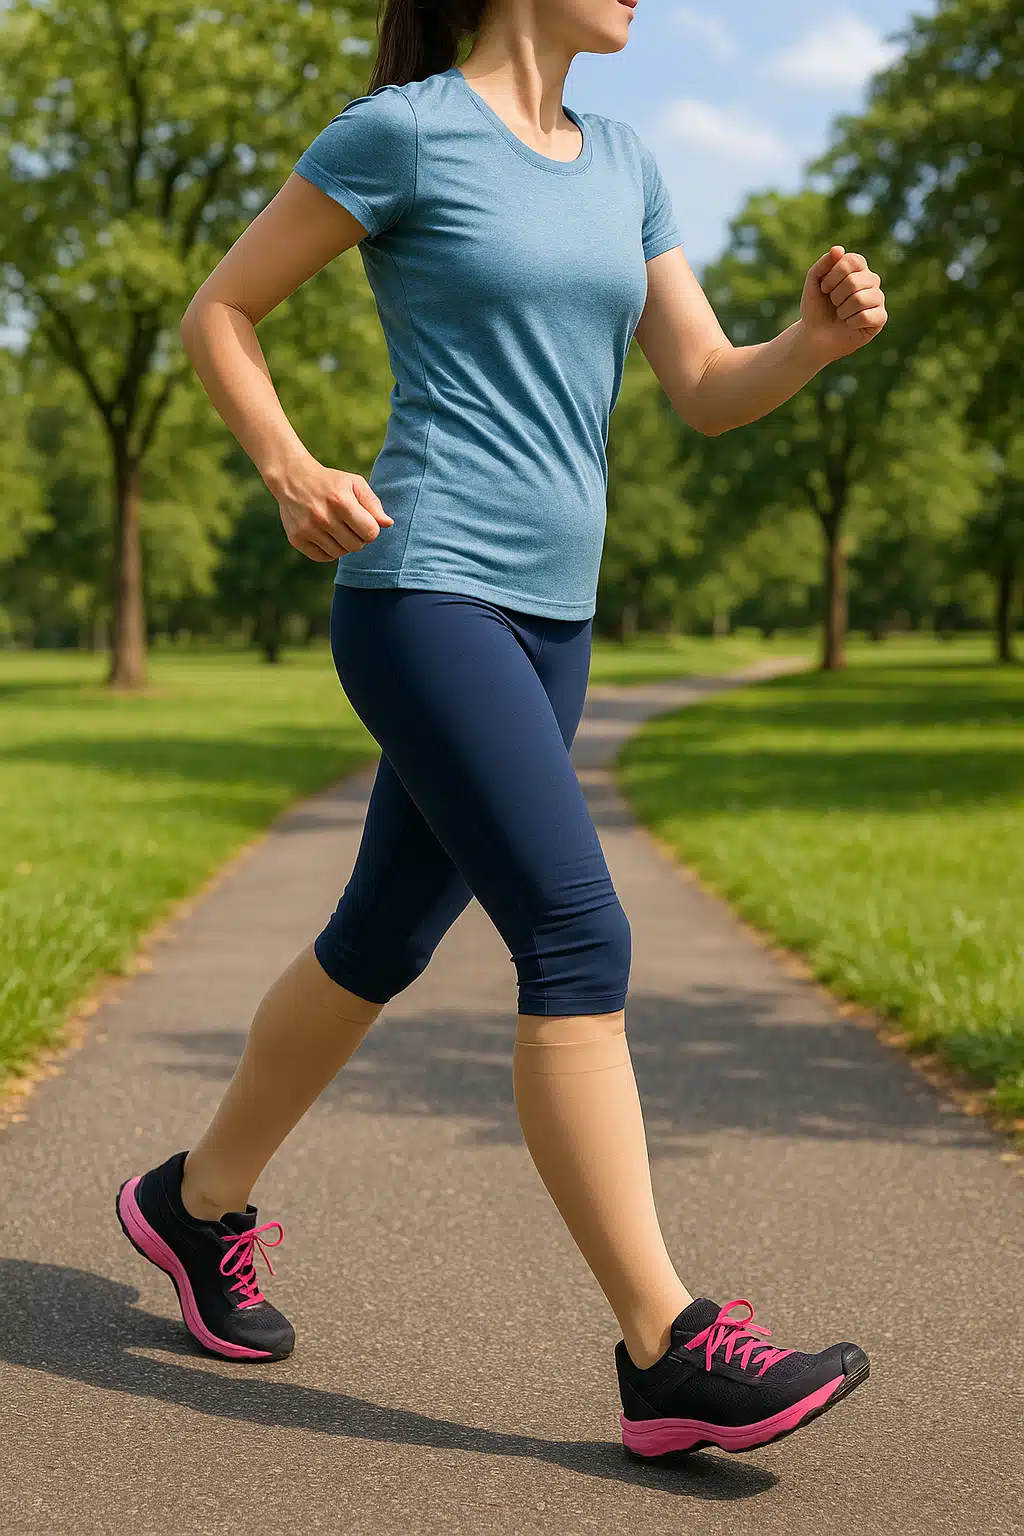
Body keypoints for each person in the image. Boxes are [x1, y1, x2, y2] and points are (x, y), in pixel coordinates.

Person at [116, 0, 886, 1457]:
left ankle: (189, 1206)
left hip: (555, 619)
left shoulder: (630, 161)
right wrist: (291, 469)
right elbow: (219, 309)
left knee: (383, 938)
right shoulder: (401, 134)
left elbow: (708, 389)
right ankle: (668, 1349)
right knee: (579, 937)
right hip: (425, 593)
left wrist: (808, 341)